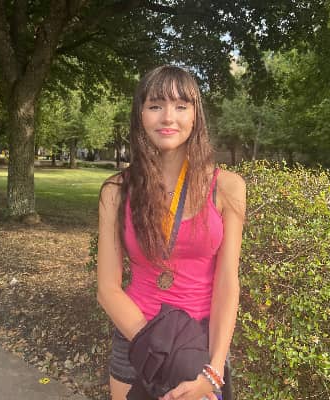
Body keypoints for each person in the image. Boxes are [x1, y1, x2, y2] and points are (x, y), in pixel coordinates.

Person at [97, 65, 246, 400]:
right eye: (155, 105)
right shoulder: (116, 190)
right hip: (136, 339)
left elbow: (227, 283)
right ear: (140, 115)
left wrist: (213, 369)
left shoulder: (227, 187)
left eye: (181, 106)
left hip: (200, 347)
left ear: (195, 116)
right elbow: (107, 288)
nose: (168, 117)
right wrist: (160, 350)